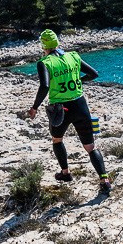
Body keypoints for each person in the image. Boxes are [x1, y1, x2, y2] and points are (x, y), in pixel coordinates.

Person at [27, 29, 112, 194]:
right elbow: (94, 74)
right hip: (80, 105)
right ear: (57, 43)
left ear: (43, 46)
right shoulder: (73, 56)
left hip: (61, 108)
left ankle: (65, 173)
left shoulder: (44, 62)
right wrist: (78, 80)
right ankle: (104, 179)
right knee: (91, 147)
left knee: (57, 140)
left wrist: (35, 107)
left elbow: (44, 86)